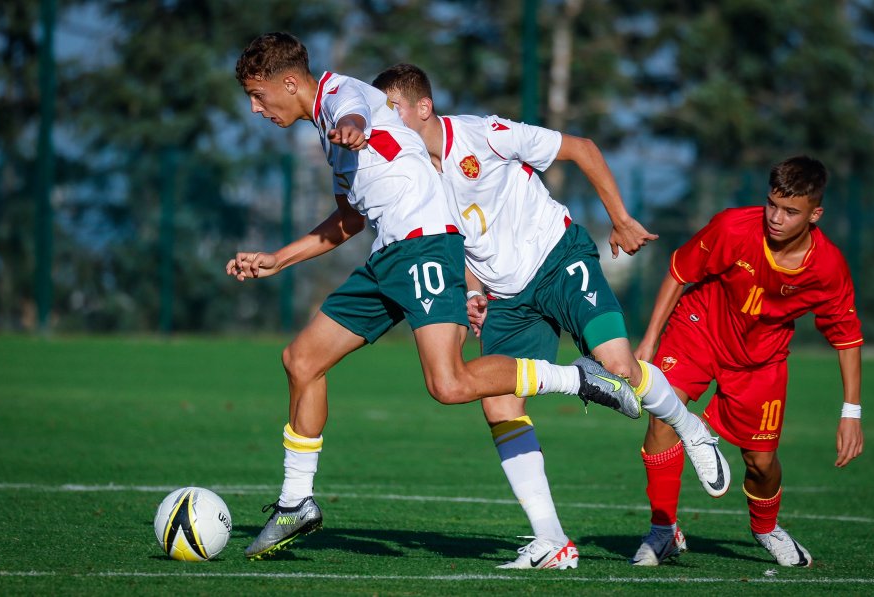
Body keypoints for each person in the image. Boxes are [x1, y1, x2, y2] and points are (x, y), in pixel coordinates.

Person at [226, 32, 639, 561]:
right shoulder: (331, 137)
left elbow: (354, 109)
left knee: (448, 384)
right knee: (301, 359)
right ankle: (296, 503)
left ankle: (578, 377)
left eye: (259, 96)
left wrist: (353, 125)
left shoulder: (340, 99)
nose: (257, 109)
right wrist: (277, 259)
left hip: (426, 249)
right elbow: (349, 218)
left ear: (289, 82)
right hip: (389, 256)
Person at [371, 63, 732, 570]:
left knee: (621, 365)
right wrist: (473, 291)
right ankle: (552, 540)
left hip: (559, 260)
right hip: (505, 297)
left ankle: (690, 428)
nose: (382, 124)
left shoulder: (484, 134)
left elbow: (582, 148)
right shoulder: (409, 175)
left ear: (424, 108)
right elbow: (460, 240)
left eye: (392, 112)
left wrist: (621, 218)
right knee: (498, 403)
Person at [630, 155, 864, 568]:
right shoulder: (733, 227)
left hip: (761, 360)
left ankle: (766, 528)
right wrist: (649, 341)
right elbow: (679, 272)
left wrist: (851, 412)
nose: (775, 217)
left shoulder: (828, 267)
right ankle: (664, 531)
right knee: (662, 417)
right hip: (698, 330)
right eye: (772, 204)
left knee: (760, 463)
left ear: (816, 214)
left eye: (791, 211)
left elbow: (846, 337)